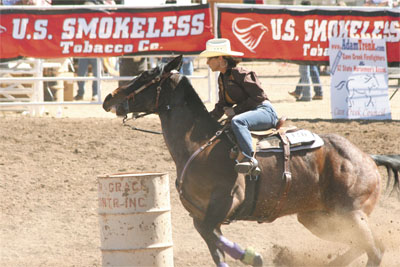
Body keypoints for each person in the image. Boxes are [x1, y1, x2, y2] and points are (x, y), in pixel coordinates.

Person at [199, 38, 279, 175]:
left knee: (238, 121)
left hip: (265, 111)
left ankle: (249, 159)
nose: (206, 62)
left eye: (209, 58)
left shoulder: (240, 73)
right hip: (252, 113)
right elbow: (222, 105)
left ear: (219, 58)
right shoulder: (222, 78)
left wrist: (235, 111)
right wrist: (205, 120)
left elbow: (259, 96)